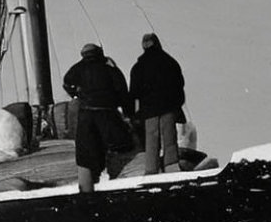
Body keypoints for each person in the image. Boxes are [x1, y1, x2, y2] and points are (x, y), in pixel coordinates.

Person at [62, 43, 134, 193]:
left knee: (85, 155)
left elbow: (67, 82)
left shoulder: (78, 68)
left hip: (86, 115)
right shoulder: (109, 68)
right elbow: (121, 90)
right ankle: (118, 183)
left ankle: (86, 188)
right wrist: (129, 113)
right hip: (107, 114)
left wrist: (76, 95)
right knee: (119, 147)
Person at [129, 32, 186, 175]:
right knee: (169, 138)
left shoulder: (138, 67)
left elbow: (134, 92)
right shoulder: (170, 62)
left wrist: (135, 112)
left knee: (151, 139)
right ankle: (171, 167)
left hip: (149, 110)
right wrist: (177, 104)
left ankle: (151, 169)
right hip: (168, 107)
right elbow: (179, 84)